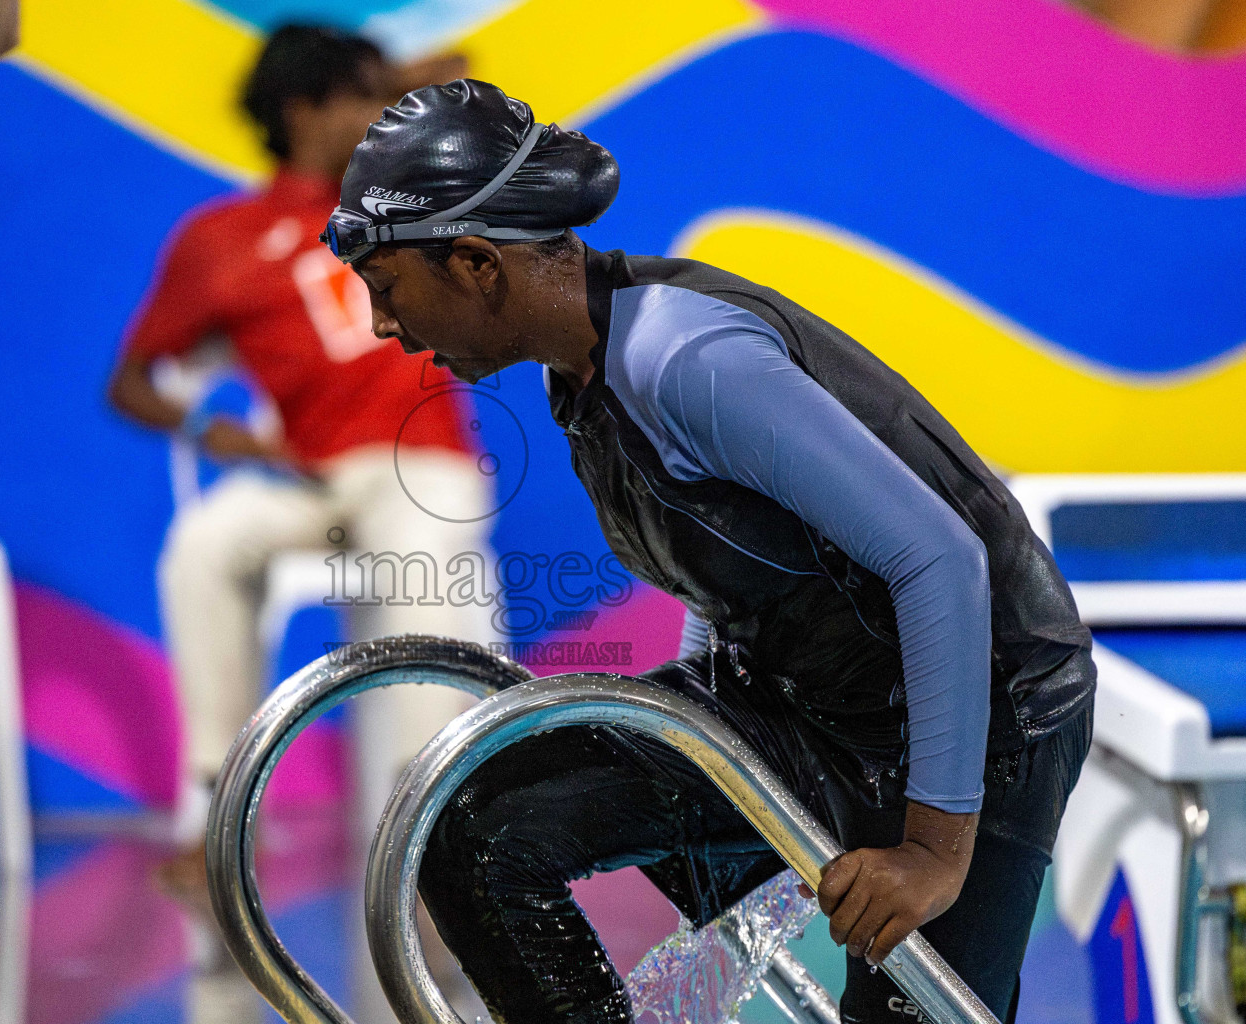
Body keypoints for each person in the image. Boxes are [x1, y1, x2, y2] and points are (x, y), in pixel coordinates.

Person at [320, 79, 1096, 1023]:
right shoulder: (587, 363)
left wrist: (933, 850)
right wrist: (700, 731)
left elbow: (942, 559)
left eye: (387, 288)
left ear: (477, 263)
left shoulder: (685, 359)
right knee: (475, 829)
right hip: (805, 700)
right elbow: (736, 565)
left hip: (980, 705)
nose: (383, 327)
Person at [108, 27, 490, 887]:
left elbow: (459, 81)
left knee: (421, 553)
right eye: (352, 99)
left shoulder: (406, 194)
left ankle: (426, 833)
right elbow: (129, 384)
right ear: (302, 111)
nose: (376, 114)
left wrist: (379, 81)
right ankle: (221, 812)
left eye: (379, 96)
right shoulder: (221, 239)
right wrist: (215, 432)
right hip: (305, 473)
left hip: (416, 464)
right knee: (205, 546)